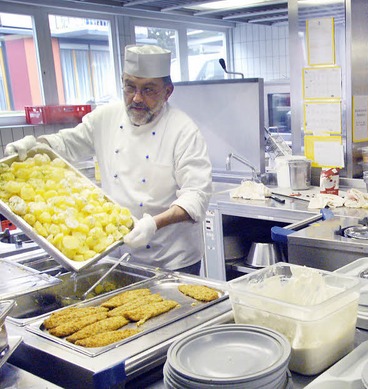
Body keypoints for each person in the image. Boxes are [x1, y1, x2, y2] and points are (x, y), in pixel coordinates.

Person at [4, 44, 213, 275]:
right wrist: (34, 146)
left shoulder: (183, 130)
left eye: (148, 90)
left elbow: (196, 196)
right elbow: (66, 143)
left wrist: (153, 224)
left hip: (173, 260)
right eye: (129, 86)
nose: (136, 98)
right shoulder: (106, 117)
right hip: (117, 257)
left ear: (168, 91)